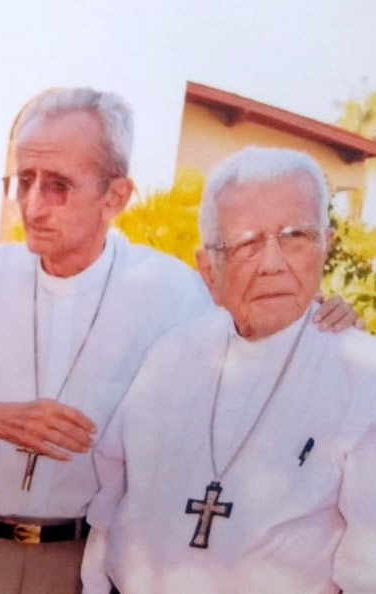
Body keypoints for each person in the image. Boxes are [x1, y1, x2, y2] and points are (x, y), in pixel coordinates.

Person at [0, 88, 357, 594]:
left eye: (58, 185)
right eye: (23, 181)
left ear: (115, 196)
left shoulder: (173, 293)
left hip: (78, 561)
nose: (32, 204)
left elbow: (253, 338)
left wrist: (321, 312)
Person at [81, 146, 376, 594]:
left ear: (325, 247)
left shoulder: (361, 375)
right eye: (246, 243)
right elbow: (112, 498)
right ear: (208, 271)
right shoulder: (171, 355)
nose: (273, 264)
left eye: (295, 235)